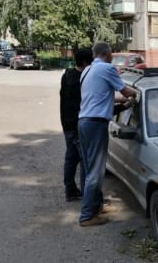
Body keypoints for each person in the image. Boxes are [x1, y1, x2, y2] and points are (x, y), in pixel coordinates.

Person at [78, 41, 136, 227]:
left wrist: (121, 106)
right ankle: (87, 216)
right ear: (107, 53)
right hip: (95, 125)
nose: (112, 55)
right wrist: (135, 95)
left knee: (89, 169)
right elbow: (126, 91)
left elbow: (101, 99)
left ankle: (96, 206)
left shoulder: (87, 70)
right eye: (111, 53)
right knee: (96, 171)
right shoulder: (106, 68)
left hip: (84, 122)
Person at [60, 48, 93, 202]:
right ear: (86, 62)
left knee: (71, 159)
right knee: (85, 161)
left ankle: (71, 191)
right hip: (77, 125)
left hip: (67, 124)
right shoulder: (82, 79)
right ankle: (88, 196)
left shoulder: (67, 75)